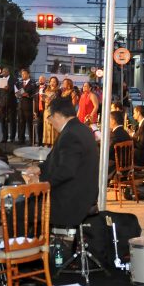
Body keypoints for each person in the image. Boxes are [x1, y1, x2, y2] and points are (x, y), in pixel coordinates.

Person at [23, 96, 99, 227]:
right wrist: (39, 168)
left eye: (49, 118)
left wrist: (40, 182)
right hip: (83, 195)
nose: (49, 122)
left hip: (70, 201)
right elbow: (60, 159)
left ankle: (27, 245)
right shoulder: (81, 129)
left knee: (15, 210)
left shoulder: (70, 135)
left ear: (57, 115)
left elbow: (66, 170)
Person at [0, 68, 17, 144]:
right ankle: (4, 137)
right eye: (2, 72)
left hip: (11, 103)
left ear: (8, 72)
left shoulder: (13, 80)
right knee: (3, 121)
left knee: (12, 120)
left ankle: (12, 137)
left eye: (4, 71)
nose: (3, 73)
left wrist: (9, 88)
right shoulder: (0, 80)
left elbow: (17, 90)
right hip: (2, 104)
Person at [16, 68, 38, 145]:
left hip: (29, 106)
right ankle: (21, 139)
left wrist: (28, 95)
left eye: (24, 74)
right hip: (20, 106)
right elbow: (18, 93)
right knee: (21, 123)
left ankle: (32, 140)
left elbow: (35, 94)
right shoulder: (20, 83)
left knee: (30, 124)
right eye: (22, 74)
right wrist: (17, 94)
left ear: (28, 74)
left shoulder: (33, 84)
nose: (23, 75)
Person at [42, 77, 61, 147]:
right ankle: (46, 142)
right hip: (47, 110)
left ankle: (53, 143)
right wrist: (44, 98)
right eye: (51, 81)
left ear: (56, 83)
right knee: (46, 127)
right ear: (49, 82)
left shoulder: (58, 91)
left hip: (54, 110)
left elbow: (59, 101)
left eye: (54, 82)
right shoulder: (46, 89)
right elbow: (43, 99)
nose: (52, 83)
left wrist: (52, 101)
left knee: (53, 127)